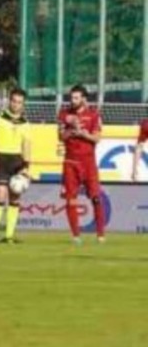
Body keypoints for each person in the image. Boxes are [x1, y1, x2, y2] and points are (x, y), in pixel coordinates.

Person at [58, 84, 105, 244]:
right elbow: (61, 136)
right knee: (71, 199)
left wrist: (84, 134)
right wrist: (71, 131)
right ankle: (76, 235)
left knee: (96, 198)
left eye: (76, 98)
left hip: (88, 162)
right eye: (71, 97)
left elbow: (97, 138)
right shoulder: (64, 114)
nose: (73, 100)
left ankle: (100, 234)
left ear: (84, 99)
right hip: (71, 162)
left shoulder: (93, 115)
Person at [0, 87, 32, 244]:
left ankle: (9, 236)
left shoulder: (25, 123)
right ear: (9, 101)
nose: (16, 104)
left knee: (15, 197)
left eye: (19, 102)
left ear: (23, 104)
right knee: (0, 195)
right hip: (1, 159)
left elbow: (27, 146)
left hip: (17, 161)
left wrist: (26, 167)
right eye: (14, 101)